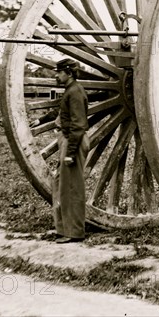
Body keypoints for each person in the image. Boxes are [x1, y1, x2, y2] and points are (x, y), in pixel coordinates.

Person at [50, 58, 89, 243]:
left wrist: (70, 153)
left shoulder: (75, 92)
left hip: (74, 141)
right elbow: (63, 113)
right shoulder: (71, 91)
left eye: (59, 72)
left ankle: (74, 233)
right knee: (63, 185)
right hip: (69, 140)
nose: (57, 75)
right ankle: (65, 229)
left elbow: (78, 125)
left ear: (69, 73)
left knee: (73, 187)